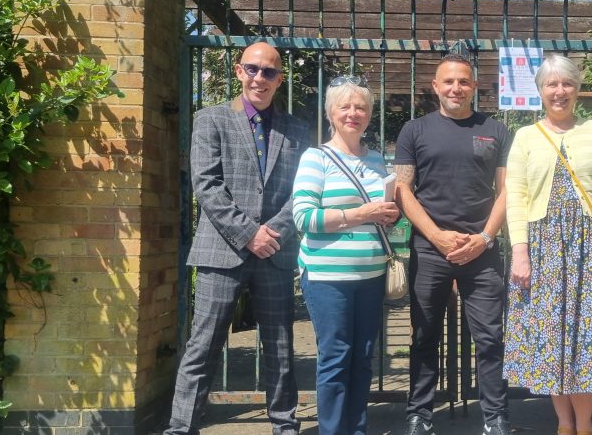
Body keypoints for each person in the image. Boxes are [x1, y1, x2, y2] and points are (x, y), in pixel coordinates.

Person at [167, 42, 309, 435]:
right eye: (253, 69)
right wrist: (249, 234)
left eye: (269, 72)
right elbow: (206, 185)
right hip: (222, 250)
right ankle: (181, 427)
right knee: (203, 345)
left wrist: (272, 233)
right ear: (238, 70)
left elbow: (302, 190)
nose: (260, 78)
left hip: (275, 251)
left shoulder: (297, 129)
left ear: (280, 79)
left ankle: (285, 425)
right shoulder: (209, 119)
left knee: (280, 347)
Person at [503, 54, 592, 435]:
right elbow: (515, 198)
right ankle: (564, 424)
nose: (559, 91)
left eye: (567, 84)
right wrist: (520, 253)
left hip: (589, 249)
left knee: (586, 335)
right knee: (552, 336)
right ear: (540, 91)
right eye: (551, 84)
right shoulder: (525, 137)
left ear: (577, 90)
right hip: (543, 248)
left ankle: (586, 424)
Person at [394, 54, 511, 435]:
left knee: (490, 338)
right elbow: (402, 189)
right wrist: (436, 235)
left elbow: (507, 190)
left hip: (482, 250)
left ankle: (494, 418)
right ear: (435, 87)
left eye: (463, 81)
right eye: (448, 82)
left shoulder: (495, 129)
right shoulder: (414, 131)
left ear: (474, 87)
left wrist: (484, 238)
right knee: (424, 335)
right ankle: (419, 415)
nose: (456, 88)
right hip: (431, 250)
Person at [291, 76, 400, 434]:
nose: (354, 113)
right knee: (336, 358)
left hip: (370, 276)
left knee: (363, 358)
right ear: (331, 113)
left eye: (362, 107)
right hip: (327, 279)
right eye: (346, 106)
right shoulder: (315, 158)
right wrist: (361, 214)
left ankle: (357, 428)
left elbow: (383, 214)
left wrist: (389, 214)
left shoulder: (377, 161)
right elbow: (303, 217)